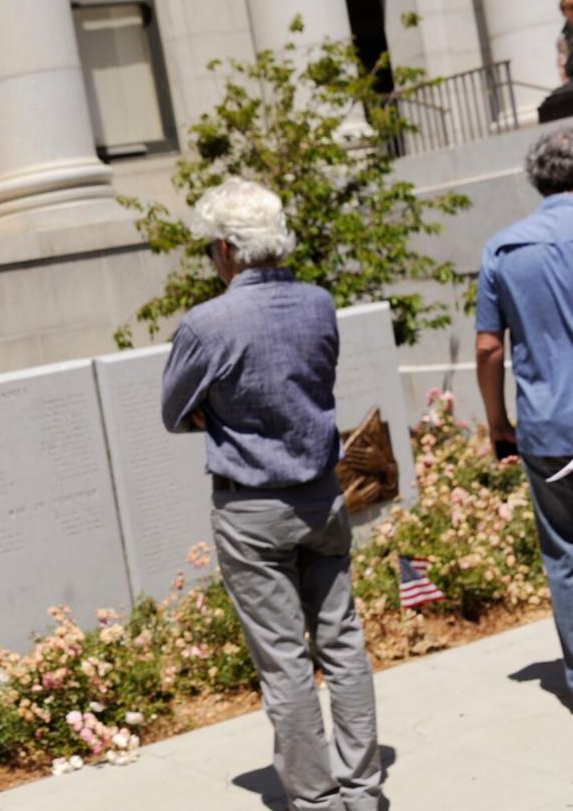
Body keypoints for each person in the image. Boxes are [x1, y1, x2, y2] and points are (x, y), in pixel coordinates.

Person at [160, 178, 383, 811]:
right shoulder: (319, 303)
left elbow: (174, 411)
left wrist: (218, 413)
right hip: (322, 495)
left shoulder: (207, 323)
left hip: (251, 507)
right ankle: (363, 789)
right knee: (343, 642)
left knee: (284, 660)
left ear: (228, 249)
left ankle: (316, 800)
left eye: (212, 247)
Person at [475, 126, 573, 697]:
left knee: (565, 555)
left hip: (549, 428)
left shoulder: (504, 249)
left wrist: (497, 423)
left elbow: (489, 348)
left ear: (537, 178)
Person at [557, 0, 573, 86]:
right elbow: (562, 60)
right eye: (568, 9)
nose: (571, 12)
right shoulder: (563, 36)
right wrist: (565, 81)